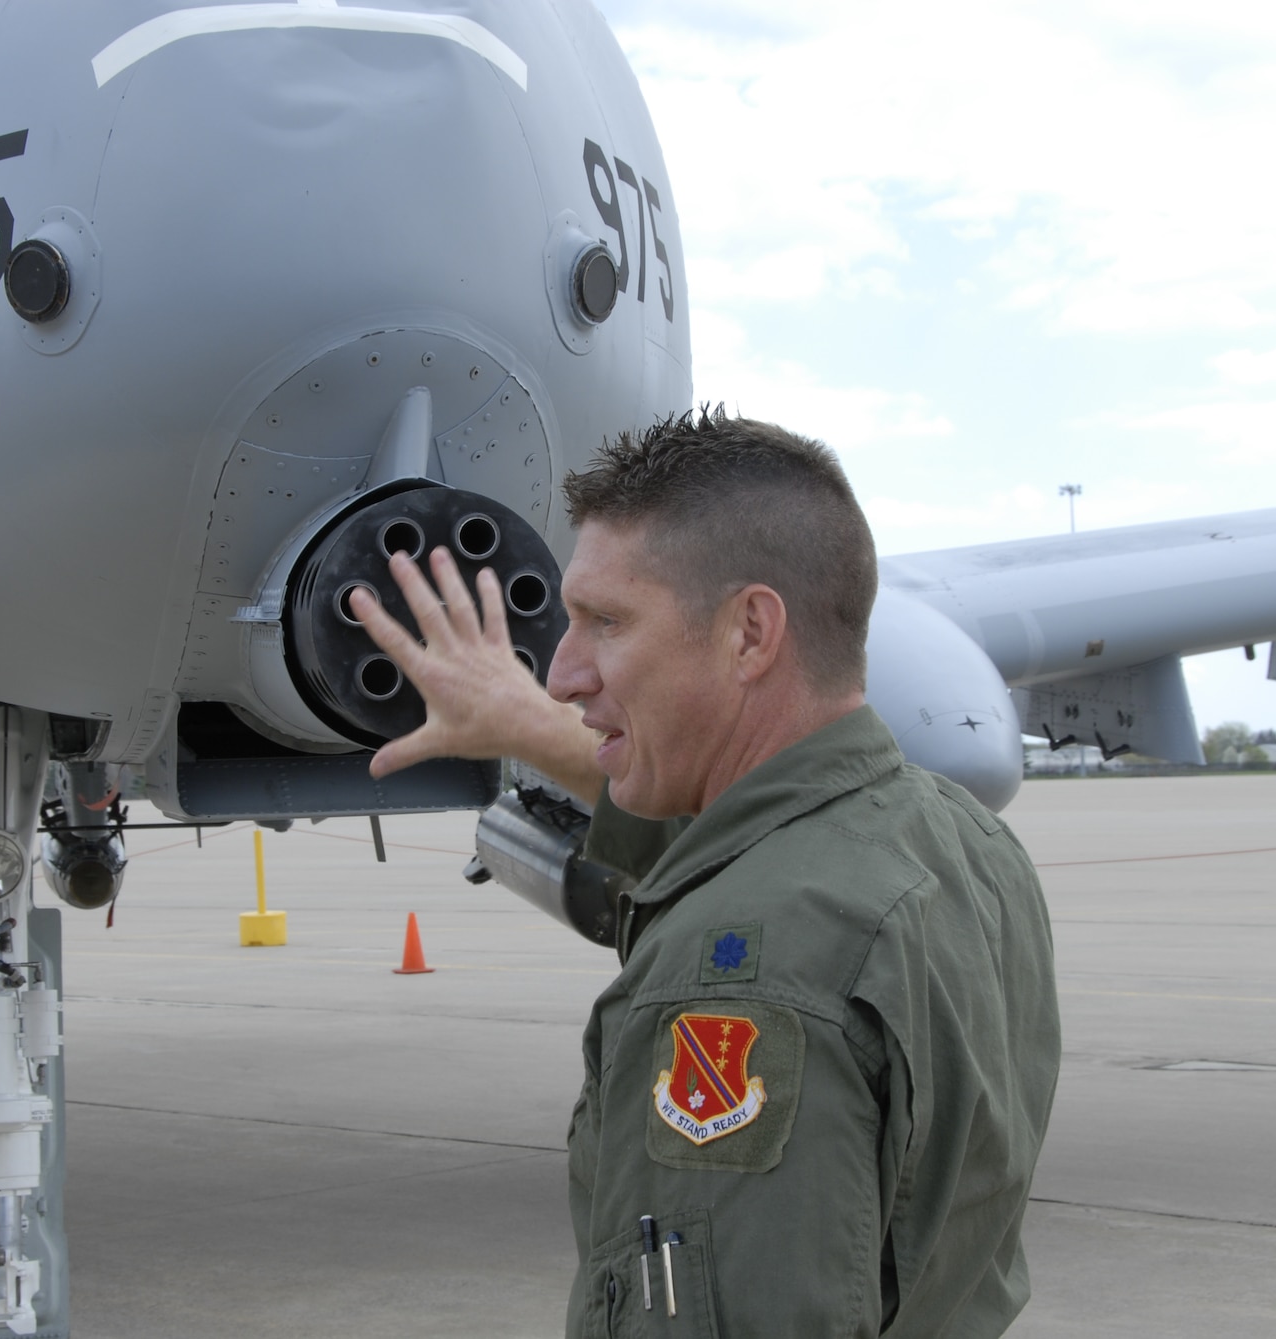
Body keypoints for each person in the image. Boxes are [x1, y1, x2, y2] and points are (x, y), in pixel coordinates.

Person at [349, 410, 1059, 1337]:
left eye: (606, 620)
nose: (562, 674)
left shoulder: (753, 969)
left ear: (750, 633)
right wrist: (524, 724)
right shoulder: (959, 839)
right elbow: (718, 845)